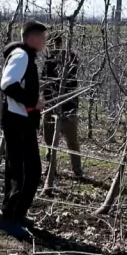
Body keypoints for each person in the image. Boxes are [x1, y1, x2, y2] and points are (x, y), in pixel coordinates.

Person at [0, 20, 47, 239]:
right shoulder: (22, 55)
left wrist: (33, 102)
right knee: (22, 170)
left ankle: (17, 213)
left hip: (21, 119)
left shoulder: (25, 55)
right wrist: (33, 101)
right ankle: (7, 217)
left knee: (32, 170)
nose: (45, 41)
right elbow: (7, 84)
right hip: (16, 120)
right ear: (32, 38)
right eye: (42, 37)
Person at [41, 32, 83, 177]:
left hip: (68, 108)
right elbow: (44, 82)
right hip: (50, 108)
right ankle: (51, 168)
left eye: (52, 44)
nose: (50, 47)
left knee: (72, 142)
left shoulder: (70, 58)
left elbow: (70, 78)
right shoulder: (48, 61)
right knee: (49, 141)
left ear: (59, 43)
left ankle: (77, 170)